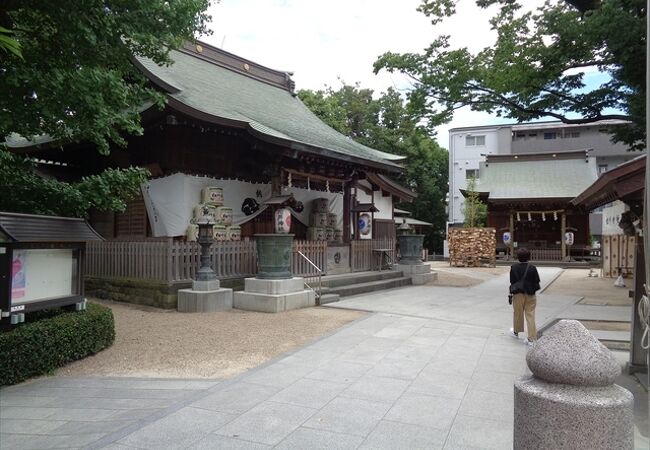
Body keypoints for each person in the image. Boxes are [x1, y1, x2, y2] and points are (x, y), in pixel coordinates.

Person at [509, 248, 541, 345]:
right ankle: (531, 338)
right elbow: (537, 281)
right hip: (530, 294)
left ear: (518, 257)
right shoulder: (532, 268)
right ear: (529, 257)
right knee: (530, 315)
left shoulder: (513, 267)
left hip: (518, 293)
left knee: (518, 313)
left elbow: (512, 281)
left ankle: (516, 332)